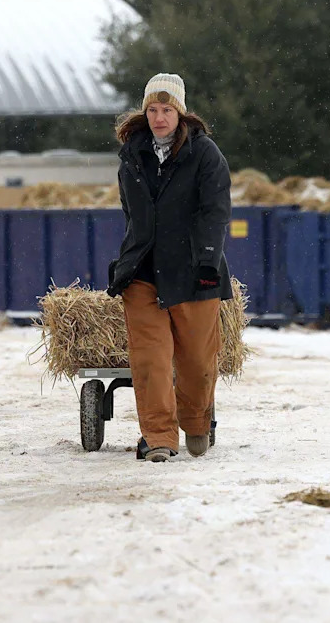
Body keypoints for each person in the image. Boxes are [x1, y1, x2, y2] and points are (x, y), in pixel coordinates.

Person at [107, 73, 232, 462]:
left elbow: (215, 212)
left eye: (167, 109)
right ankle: (159, 437)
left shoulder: (205, 154)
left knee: (196, 362)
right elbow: (133, 215)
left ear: (180, 113)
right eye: (152, 109)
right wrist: (128, 260)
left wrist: (208, 260)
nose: (159, 117)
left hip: (195, 271)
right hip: (143, 271)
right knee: (151, 360)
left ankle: (195, 422)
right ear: (144, 112)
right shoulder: (131, 155)